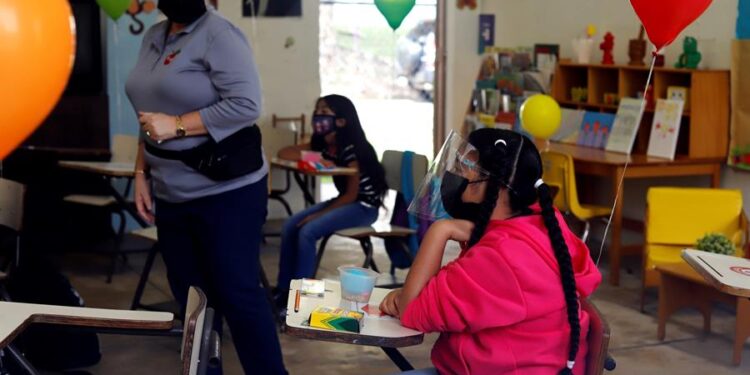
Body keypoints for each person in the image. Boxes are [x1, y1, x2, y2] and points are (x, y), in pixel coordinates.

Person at [125, 1, 287, 373]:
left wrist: (179, 125)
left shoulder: (220, 34)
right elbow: (148, 114)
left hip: (228, 192)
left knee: (238, 293)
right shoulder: (154, 35)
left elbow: (247, 105)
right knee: (192, 299)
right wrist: (141, 173)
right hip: (170, 191)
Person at [380, 128, 602, 375]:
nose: (453, 174)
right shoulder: (540, 226)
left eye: (463, 166)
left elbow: (412, 311)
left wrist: (440, 230)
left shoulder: (501, 257)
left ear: (496, 184)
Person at [275, 95, 387, 303]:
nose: (318, 116)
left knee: (308, 230)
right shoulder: (326, 146)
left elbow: (352, 195)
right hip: (346, 200)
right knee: (291, 224)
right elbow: (285, 152)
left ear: (342, 121)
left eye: (325, 112)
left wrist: (317, 215)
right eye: (317, 111)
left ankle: (303, 298)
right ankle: (284, 291)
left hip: (363, 206)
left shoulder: (352, 148)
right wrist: (313, 157)